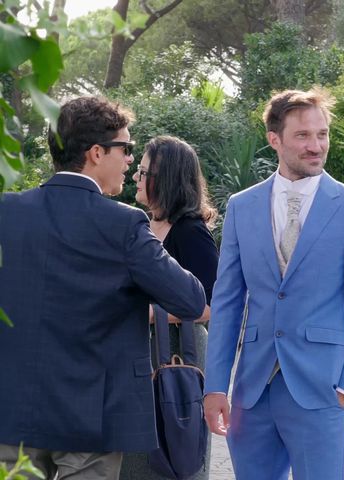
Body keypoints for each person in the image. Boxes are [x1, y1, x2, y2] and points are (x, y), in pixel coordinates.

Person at [0, 96, 206, 480]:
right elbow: (191, 299)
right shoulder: (124, 225)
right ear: (96, 152)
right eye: (125, 149)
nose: (130, 160)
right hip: (92, 416)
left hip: (12, 410)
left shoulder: (7, 211)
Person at [203, 87, 344, 479]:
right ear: (275, 139)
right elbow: (227, 302)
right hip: (252, 392)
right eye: (303, 135)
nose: (316, 145)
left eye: (321, 134)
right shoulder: (242, 206)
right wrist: (216, 386)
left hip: (322, 389)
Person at [119, 135, 218, 480]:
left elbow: (210, 304)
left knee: (177, 453)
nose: (136, 177)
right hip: (140, 357)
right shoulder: (139, 224)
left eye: (144, 172)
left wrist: (146, 313)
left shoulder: (190, 231)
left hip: (178, 357)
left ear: (167, 179)